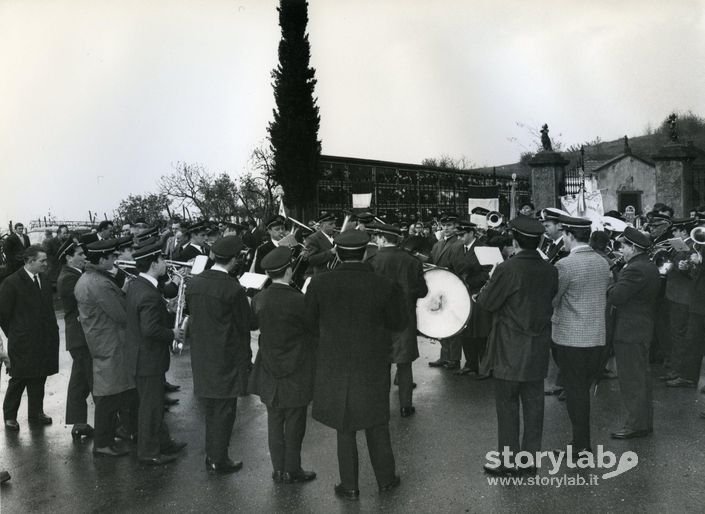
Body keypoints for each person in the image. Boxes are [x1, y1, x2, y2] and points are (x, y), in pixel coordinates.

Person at [305, 230, 406, 500]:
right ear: (365, 252)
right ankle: (386, 479)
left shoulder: (318, 283)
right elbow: (399, 323)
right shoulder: (384, 284)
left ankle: (349, 485)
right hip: (373, 363)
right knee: (377, 421)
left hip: (335, 363)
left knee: (344, 425)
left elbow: (309, 324)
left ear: (336, 253)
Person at [476, 216, 558, 475]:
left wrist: (489, 283)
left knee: (507, 405)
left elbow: (487, 303)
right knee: (534, 405)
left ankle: (508, 461)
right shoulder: (550, 269)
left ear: (514, 241)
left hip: (509, 346)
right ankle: (529, 461)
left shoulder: (507, 268)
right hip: (538, 345)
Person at [249, 246, 317, 482]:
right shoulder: (299, 300)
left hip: (268, 366)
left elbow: (253, 323)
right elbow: (313, 330)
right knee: (296, 421)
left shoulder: (259, 298)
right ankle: (293, 468)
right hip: (296, 367)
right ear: (289, 271)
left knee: (274, 420)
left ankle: (279, 469)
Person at [187, 236, 253, 474]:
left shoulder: (195, 282)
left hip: (202, 354)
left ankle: (212, 454)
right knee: (225, 411)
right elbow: (248, 323)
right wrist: (249, 300)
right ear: (234, 260)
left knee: (211, 408)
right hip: (225, 355)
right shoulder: (232, 288)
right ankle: (218, 458)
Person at [551, 215, 611, 453]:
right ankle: (580, 444)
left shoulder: (564, 265)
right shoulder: (602, 262)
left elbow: (554, 299)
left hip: (570, 339)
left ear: (569, 235)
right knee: (582, 391)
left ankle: (580, 446)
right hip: (596, 337)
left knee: (575, 394)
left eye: (563, 236)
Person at [126, 242, 186, 465]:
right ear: (153, 264)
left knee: (154, 403)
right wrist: (173, 332)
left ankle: (163, 442)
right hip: (148, 358)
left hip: (141, 357)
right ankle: (149, 452)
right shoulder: (148, 293)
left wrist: (166, 309)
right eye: (162, 260)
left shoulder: (138, 285)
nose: (165, 263)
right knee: (151, 407)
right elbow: (149, 329)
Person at [75, 240, 135, 456]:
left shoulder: (88, 279)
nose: (114, 261)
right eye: (111, 257)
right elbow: (120, 314)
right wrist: (126, 294)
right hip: (110, 343)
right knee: (109, 397)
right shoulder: (99, 283)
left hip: (103, 341)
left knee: (117, 393)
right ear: (101, 260)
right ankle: (102, 444)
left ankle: (118, 434)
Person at [367, 222, 428, 417]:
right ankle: (405, 406)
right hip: (405, 317)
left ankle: (380, 406)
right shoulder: (412, 261)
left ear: (383, 239)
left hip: (379, 319)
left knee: (380, 363)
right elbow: (423, 290)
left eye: (377, 237)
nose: (376, 240)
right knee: (404, 362)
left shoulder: (372, 260)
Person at [608, 227, 661, 439]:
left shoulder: (634, 269)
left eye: (623, 246)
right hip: (640, 326)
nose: (621, 250)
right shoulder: (646, 266)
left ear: (633, 248)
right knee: (640, 376)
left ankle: (636, 424)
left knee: (632, 378)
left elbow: (616, 296)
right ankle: (643, 421)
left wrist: (612, 282)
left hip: (630, 329)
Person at [0, 245, 59, 431]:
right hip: (23, 340)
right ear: (29, 261)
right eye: (42, 260)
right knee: (19, 378)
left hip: (43, 338)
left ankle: (36, 413)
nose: (45, 264)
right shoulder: (12, 282)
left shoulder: (44, 278)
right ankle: (10, 416)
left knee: (39, 376)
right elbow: (3, 315)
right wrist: (17, 333)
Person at [56, 239, 94, 440]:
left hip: (78, 336)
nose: (85, 257)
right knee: (95, 379)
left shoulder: (74, 274)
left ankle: (78, 423)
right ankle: (112, 424)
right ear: (69, 258)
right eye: (80, 254)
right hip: (81, 335)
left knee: (79, 381)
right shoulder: (69, 278)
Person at [450, 222, 492, 377]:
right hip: (461, 295)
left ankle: (486, 367)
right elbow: (452, 268)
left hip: (478, 295)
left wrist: (470, 281)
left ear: (472, 233)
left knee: (481, 331)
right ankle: (470, 364)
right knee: (465, 329)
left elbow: (489, 272)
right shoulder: (456, 248)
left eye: (462, 235)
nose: (459, 238)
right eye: (458, 235)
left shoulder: (484, 249)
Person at [428, 214, 462, 369]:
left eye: (449, 225)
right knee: (441, 321)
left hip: (452, 285)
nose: (446, 228)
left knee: (452, 322)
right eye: (444, 225)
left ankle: (454, 358)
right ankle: (444, 355)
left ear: (455, 227)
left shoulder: (458, 243)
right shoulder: (438, 244)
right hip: (438, 286)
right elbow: (431, 260)